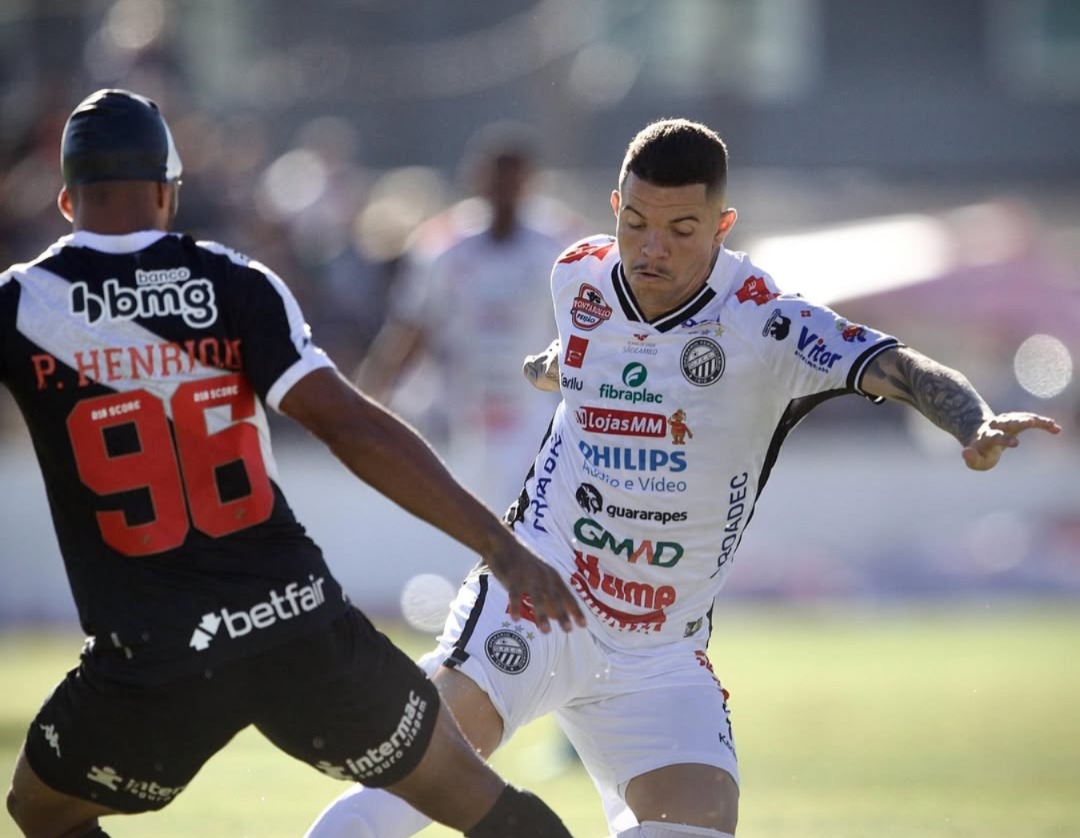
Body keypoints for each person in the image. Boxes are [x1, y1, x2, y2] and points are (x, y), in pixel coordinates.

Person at [304, 117, 1061, 838]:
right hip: (538, 595)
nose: (651, 249)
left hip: (660, 647)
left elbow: (896, 365)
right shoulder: (577, 274)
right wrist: (549, 370)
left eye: (681, 230)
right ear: (614, 208)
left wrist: (973, 421)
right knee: (410, 782)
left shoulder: (766, 322)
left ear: (723, 227)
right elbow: (578, 353)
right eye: (635, 223)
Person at [1, 88, 586, 838]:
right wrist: (499, 546)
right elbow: (350, 427)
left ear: (65, 201)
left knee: (40, 810)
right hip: (296, 625)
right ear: (165, 192)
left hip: (153, 654)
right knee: (477, 799)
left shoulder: (19, 307)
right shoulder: (236, 283)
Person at [355, 121, 581, 509]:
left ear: (530, 182)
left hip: (537, 412)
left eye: (513, 181)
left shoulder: (559, 244)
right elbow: (412, 325)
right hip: (464, 413)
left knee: (532, 517)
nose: (503, 191)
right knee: (472, 519)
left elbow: (589, 324)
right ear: (476, 180)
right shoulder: (444, 245)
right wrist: (370, 395)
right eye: (495, 179)